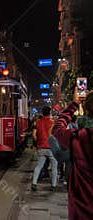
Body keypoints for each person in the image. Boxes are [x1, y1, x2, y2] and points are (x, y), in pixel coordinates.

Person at [52, 89, 93, 220]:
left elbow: (57, 129)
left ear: (87, 112)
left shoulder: (80, 137)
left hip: (82, 211)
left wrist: (74, 104)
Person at [31, 106, 58, 191]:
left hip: (41, 147)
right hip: (51, 148)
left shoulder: (37, 122)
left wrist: (38, 141)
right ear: (49, 113)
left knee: (39, 166)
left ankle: (34, 183)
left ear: (42, 113)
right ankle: (53, 185)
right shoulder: (53, 123)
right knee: (54, 167)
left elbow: (34, 135)